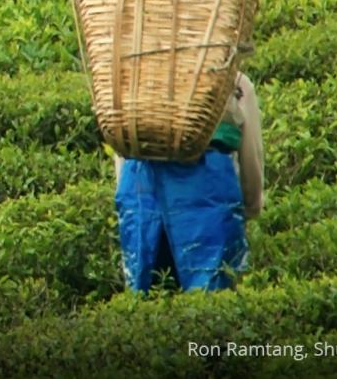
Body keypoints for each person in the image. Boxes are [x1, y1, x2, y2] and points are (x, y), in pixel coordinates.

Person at [114, 70, 265, 292]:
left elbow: (121, 150)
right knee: (212, 302)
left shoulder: (133, 77)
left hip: (141, 194)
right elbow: (251, 155)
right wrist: (251, 206)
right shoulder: (233, 80)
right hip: (207, 195)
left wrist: (127, 206)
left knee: (147, 296)